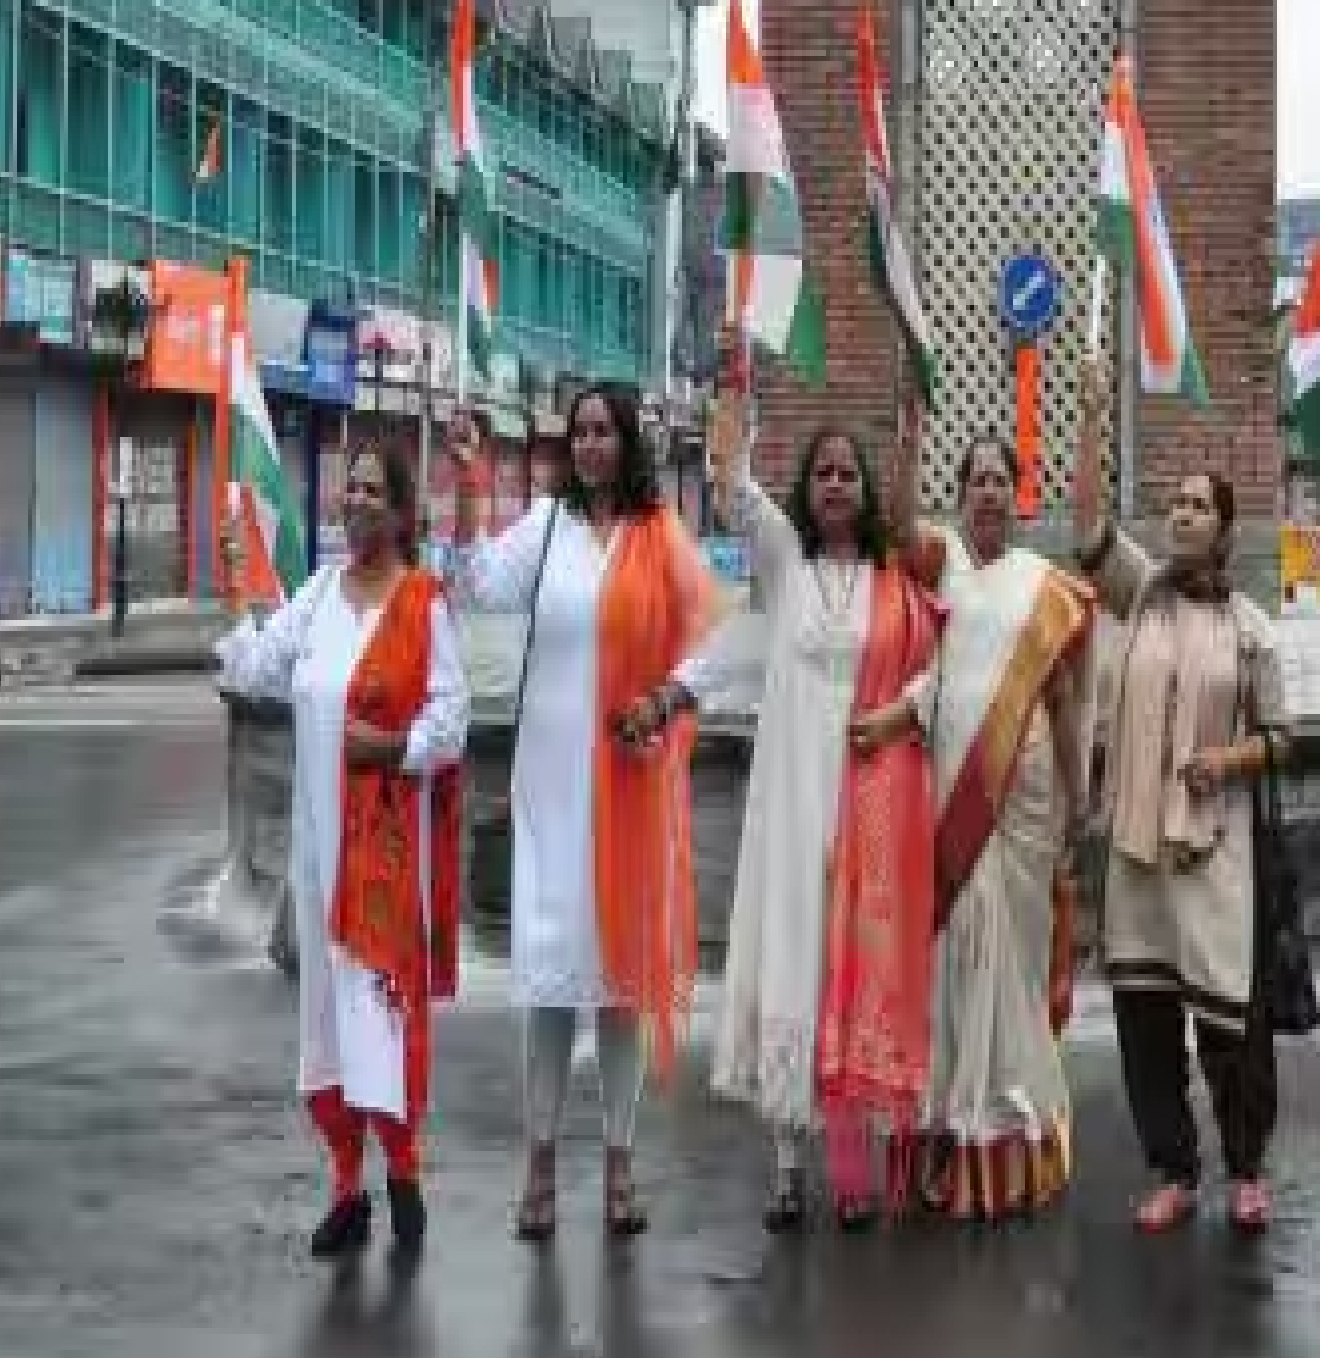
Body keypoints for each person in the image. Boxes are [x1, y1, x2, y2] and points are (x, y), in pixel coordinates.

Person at [445, 387, 721, 1243]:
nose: (593, 445)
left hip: (632, 790)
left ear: (629, 441)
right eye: (582, 433)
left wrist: (666, 699)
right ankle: (537, 1169)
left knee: (619, 991)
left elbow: (718, 642)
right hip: (552, 795)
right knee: (551, 985)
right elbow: (474, 586)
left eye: (606, 431)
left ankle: (619, 1166)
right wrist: (466, 482)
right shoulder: (548, 529)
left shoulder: (661, 535)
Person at [218, 443, 470, 1259]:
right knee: (326, 1016)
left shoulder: (423, 602)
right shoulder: (320, 595)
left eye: (372, 489)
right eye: (348, 488)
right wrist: (238, 588)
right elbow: (257, 672)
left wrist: (394, 749)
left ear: (400, 513)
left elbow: (452, 720)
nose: (355, 500)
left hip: (390, 859)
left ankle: (404, 1170)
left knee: (383, 1016)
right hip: (321, 852)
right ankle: (345, 1186)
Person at [710, 391, 941, 1231]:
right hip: (795, 806)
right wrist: (732, 412)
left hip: (872, 808)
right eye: (823, 473)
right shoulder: (784, 565)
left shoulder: (892, 582)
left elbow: (935, 670)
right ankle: (785, 1169)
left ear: (866, 489)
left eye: (848, 473)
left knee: (858, 977)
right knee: (795, 967)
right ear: (806, 489)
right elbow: (734, 489)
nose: (835, 484)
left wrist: (901, 714)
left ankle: (853, 1173)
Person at [1072, 358, 1290, 1233]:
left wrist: (1225, 761)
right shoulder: (1144, 596)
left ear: (1226, 530)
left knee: (1230, 1020)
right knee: (1144, 1019)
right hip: (1136, 855)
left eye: (1201, 505)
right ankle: (1173, 1169)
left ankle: (1245, 1168)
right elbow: (1087, 532)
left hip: (1213, 851)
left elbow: (1282, 740)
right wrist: (1091, 411)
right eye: (1180, 503)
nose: (1184, 514)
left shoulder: (1251, 629)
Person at [890, 401, 1095, 1220]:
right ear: (960, 492)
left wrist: (1081, 797)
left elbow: (1074, 703)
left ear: (1020, 494)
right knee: (955, 956)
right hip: (950, 787)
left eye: (999, 481)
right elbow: (898, 524)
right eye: (974, 481)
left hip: (1030, 790)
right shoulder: (942, 567)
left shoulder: (1052, 589)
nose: (987, 494)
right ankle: (953, 1126)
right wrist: (904, 442)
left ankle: (1013, 1128)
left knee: (1012, 952)